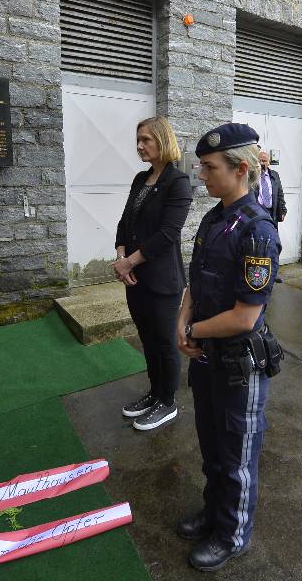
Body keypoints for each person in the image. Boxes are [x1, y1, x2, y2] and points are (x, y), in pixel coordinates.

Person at [175, 123, 282, 572]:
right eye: (201, 165)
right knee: (213, 447)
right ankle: (213, 512)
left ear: (240, 169)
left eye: (209, 167)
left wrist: (193, 328)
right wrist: (181, 322)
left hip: (239, 363)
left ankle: (232, 534)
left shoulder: (258, 231)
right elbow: (195, 282)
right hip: (206, 358)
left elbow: (245, 316)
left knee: (237, 455)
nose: (201, 174)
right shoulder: (215, 217)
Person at [113, 116, 193, 431]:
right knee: (147, 339)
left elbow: (167, 234)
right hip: (135, 278)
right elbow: (124, 223)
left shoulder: (178, 182)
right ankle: (154, 393)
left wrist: (129, 262)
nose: (140, 146)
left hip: (162, 280)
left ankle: (168, 402)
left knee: (164, 342)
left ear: (163, 140)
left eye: (146, 139)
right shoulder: (139, 179)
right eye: (138, 140)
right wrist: (121, 257)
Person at [254, 150, 287, 227]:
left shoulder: (275, 175)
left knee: (271, 235)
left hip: (272, 212)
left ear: (268, 162)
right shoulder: (251, 175)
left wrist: (283, 210)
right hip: (257, 212)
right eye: (259, 161)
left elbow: (280, 194)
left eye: (264, 161)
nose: (261, 163)